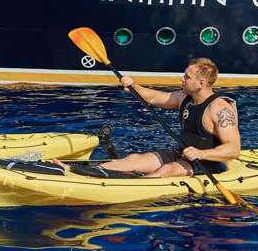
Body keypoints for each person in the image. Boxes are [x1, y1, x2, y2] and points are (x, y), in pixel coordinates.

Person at [54, 57, 240, 178]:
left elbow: (233, 150)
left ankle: (128, 185)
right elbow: (153, 97)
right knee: (134, 159)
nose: (181, 79)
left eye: (187, 76)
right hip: (183, 154)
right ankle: (81, 172)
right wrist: (134, 86)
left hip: (209, 165)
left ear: (200, 83)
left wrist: (201, 153)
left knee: (165, 170)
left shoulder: (219, 108)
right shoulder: (185, 98)